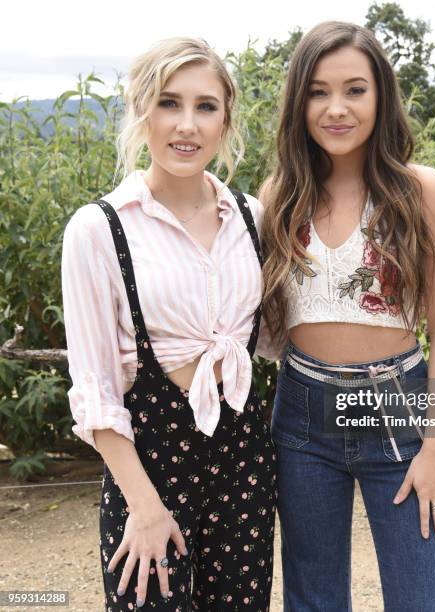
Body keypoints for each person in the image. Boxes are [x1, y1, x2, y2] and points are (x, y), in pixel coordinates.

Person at [61, 37, 276, 611]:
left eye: (206, 106)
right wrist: (144, 506)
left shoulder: (251, 218)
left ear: (226, 119)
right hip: (151, 466)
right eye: (168, 103)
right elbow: (96, 390)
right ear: (140, 110)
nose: (187, 125)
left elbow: (278, 337)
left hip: (245, 463)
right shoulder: (98, 229)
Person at [259, 21, 435, 612]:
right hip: (300, 416)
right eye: (318, 92)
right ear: (299, 102)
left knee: (419, 598)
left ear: (382, 96)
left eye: (355, 89)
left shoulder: (421, 191)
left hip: (399, 407)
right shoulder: (281, 195)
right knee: (313, 597)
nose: (336, 108)